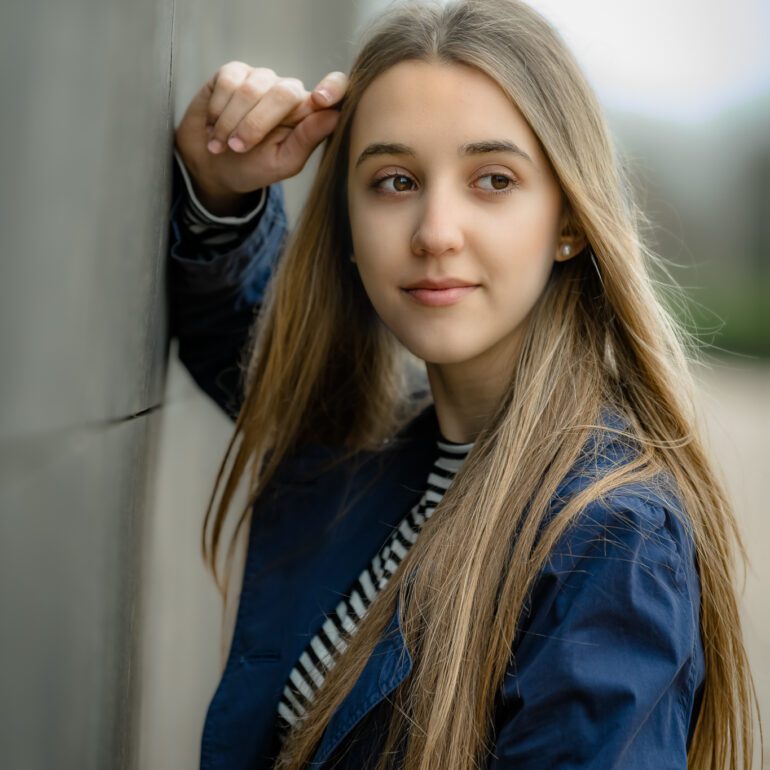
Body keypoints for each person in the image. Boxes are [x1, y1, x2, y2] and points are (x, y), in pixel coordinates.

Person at [168, 1, 758, 768]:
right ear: (348, 228)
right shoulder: (378, 453)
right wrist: (222, 191)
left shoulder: (609, 537)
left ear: (570, 221)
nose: (436, 230)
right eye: (394, 180)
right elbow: (260, 352)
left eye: (493, 179)